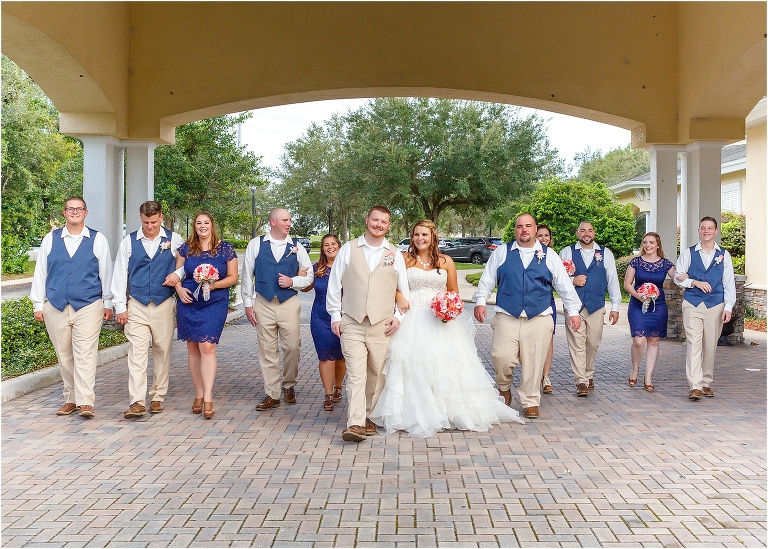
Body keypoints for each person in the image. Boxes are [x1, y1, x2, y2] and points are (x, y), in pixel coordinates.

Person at [370, 220, 524, 437]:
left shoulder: (446, 261)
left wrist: (449, 307)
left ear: (433, 237)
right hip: (412, 318)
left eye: (424, 234)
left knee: (443, 365)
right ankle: (414, 414)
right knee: (413, 365)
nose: (420, 239)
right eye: (416, 235)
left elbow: (453, 292)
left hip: (439, 321)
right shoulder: (404, 259)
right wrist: (399, 295)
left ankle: (447, 412)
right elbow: (389, 283)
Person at [474, 214, 582, 420]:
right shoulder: (502, 252)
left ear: (535, 229)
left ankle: (531, 401)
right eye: (520, 226)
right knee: (501, 356)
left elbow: (564, 285)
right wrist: (480, 301)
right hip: (507, 314)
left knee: (534, 360)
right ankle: (504, 387)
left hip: (539, 316)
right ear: (515, 230)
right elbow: (488, 278)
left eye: (528, 226)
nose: (524, 230)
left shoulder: (549, 255)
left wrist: (574, 312)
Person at [327, 206, 410, 442]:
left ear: (388, 226)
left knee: (376, 373)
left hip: (382, 323)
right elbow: (334, 284)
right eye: (375, 220)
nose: (379, 225)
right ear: (367, 220)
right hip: (352, 321)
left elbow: (404, 290)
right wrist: (335, 316)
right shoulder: (348, 249)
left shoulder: (395, 254)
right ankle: (355, 422)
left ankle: (370, 416)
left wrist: (398, 317)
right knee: (356, 373)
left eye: (384, 222)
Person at [30, 196, 114, 419]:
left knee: (85, 353)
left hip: (88, 304)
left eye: (79, 209)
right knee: (64, 355)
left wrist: (108, 302)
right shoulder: (50, 239)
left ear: (86, 212)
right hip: (56, 305)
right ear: (64, 212)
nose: (75, 212)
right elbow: (41, 272)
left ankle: (85, 401)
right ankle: (71, 398)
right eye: (70, 209)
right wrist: (38, 304)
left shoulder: (97, 239)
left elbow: (106, 272)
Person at [112, 201, 185, 419]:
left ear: (161, 217)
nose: (150, 226)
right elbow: (119, 274)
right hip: (137, 304)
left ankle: (157, 397)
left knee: (162, 350)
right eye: (146, 222)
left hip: (164, 303)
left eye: (154, 222)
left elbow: (186, 265)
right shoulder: (129, 241)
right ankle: (136, 401)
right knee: (137, 353)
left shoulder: (174, 239)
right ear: (140, 218)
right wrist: (120, 306)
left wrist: (178, 275)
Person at [241, 208, 313, 411]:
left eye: (289, 220)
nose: (289, 223)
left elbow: (309, 276)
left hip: (288, 302)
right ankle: (272, 393)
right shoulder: (256, 244)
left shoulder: (297, 246)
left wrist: (293, 281)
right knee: (267, 349)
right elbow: (247, 274)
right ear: (273, 222)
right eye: (285, 220)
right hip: (263, 302)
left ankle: (289, 384)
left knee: (292, 347)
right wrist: (248, 303)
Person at [174, 212, 239, 419]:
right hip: (189, 301)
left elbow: (233, 277)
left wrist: (213, 285)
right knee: (193, 347)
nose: (202, 226)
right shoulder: (186, 248)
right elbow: (177, 275)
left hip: (215, 302)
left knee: (207, 346)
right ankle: (199, 394)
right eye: (199, 223)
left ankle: (209, 396)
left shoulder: (225, 248)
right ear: (194, 226)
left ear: (212, 225)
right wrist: (179, 289)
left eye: (206, 223)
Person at [674, 216, 736, 401]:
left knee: (710, 345)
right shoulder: (689, 253)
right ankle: (695, 386)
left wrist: (728, 307)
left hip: (715, 304)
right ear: (699, 230)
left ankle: (706, 382)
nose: (706, 231)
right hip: (692, 303)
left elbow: (728, 283)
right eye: (703, 228)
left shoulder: (723, 255)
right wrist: (693, 281)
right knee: (694, 344)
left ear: (716, 231)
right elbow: (677, 277)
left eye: (710, 228)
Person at [559, 221, 622, 397]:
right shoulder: (567, 252)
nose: (586, 233)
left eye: (590, 230)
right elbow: (558, 278)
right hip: (574, 306)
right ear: (577, 233)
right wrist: (572, 280)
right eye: (583, 230)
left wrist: (615, 306)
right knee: (577, 343)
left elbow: (612, 279)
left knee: (593, 343)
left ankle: (588, 372)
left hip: (596, 305)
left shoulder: (605, 253)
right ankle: (581, 381)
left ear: (594, 233)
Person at [624, 232, 677, 392]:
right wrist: (639, 297)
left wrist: (688, 277)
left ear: (657, 245)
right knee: (639, 341)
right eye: (645, 242)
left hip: (657, 307)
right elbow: (627, 284)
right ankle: (635, 370)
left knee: (653, 341)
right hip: (637, 305)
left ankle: (648, 377)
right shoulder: (635, 262)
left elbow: (678, 279)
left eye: (651, 242)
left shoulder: (666, 264)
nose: (648, 245)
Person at [302, 234, 346, 412]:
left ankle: (338, 387)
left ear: (339, 246)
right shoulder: (317, 268)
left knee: (341, 355)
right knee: (326, 355)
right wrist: (301, 276)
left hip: (344, 317)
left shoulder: (347, 268)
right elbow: (305, 288)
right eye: (326, 245)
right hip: (320, 318)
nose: (330, 247)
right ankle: (328, 394)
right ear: (322, 249)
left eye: (333, 244)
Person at [536, 224, 557, 394]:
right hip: (530, 303)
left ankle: (546, 377)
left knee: (549, 339)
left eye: (546, 235)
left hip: (548, 302)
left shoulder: (553, 256)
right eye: (540, 235)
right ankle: (534, 376)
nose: (544, 239)